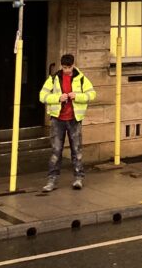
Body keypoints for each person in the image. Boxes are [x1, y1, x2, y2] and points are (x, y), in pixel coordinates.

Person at [39, 53, 96, 192]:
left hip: (74, 119)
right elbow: (42, 96)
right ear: (61, 66)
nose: (67, 70)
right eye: (64, 67)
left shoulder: (81, 79)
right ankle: (52, 180)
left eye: (69, 67)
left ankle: (78, 178)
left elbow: (92, 94)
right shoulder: (53, 79)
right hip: (57, 119)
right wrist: (58, 98)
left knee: (76, 150)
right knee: (56, 151)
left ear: (73, 65)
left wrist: (78, 96)